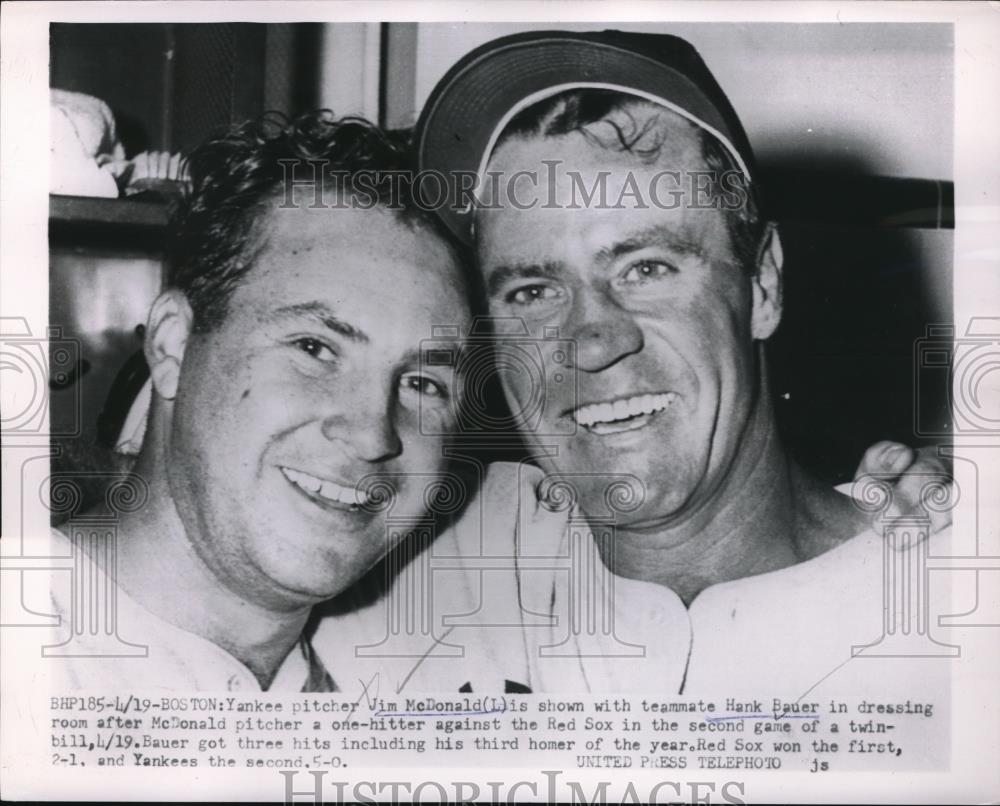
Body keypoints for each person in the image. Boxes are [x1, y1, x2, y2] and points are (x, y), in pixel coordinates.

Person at [315, 30, 956, 701]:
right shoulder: (424, 559)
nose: (592, 343)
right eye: (533, 292)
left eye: (645, 268)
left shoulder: (951, 604)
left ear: (762, 284)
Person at [26, 111, 475, 691]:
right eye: (315, 347)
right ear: (173, 344)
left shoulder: (380, 710)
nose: (372, 435)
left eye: (423, 383)